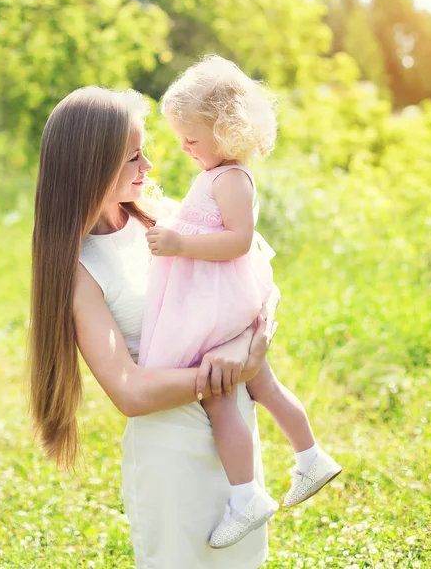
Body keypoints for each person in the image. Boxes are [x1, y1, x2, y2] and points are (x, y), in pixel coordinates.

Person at [28, 85, 278, 569]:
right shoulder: (82, 270)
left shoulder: (165, 220)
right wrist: (228, 369)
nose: (148, 168)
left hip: (235, 432)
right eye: (134, 157)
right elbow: (130, 391)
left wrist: (249, 344)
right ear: (93, 166)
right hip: (172, 447)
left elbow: (255, 277)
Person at [139, 55, 342, 549]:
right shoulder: (215, 174)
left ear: (227, 131)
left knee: (218, 390)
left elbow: (236, 240)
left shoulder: (232, 178)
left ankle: (246, 495)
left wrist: (181, 245)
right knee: (263, 385)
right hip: (224, 295)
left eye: (192, 139)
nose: (184, 148)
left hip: (222, 299)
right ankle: (311, 458)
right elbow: (198, 221)